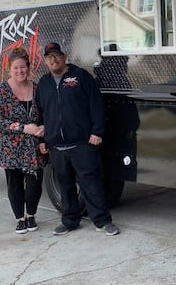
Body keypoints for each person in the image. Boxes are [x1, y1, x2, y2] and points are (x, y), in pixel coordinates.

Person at [35, 42, 120, 236]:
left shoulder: (81, 76)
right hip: (57, 146)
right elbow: (40, 113)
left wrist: (97, 132)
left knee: (92, 185)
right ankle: (70, 221)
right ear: (45, 61)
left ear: (64, 57)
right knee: (65, 187)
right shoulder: (44, 83)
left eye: (56, 55)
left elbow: (96, 105)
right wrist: (43, 140)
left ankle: (102, 221)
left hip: (82, 144)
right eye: (49, 57)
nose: (53, 59)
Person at [0, 46, 46, 234]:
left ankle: (31, 215)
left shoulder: (37, 89)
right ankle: (20, 218)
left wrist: (44, 129)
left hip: (33, 146)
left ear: (28, 68)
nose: (20, 71)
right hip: (9, 146)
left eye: (23, 67)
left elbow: (45, 113)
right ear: (9, 69)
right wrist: (23, 128)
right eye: (16, 68)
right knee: (14, 183)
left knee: (34, 182)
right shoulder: (0, 91)